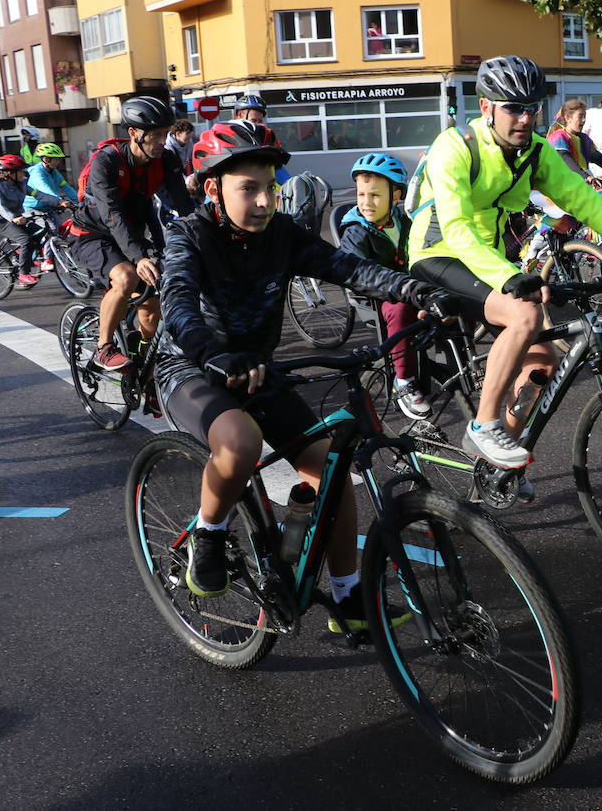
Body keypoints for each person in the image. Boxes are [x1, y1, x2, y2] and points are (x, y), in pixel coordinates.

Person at [157, 120, 450, 632]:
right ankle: (209, 532)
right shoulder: (189, 232)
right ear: (212, 188)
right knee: (241, 442)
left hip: (257, 368)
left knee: (333, 474)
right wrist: (209, 352)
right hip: (192, 363)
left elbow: (350, 269)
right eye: (249, 189)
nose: (266, 201)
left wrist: (415, 290)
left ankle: (347, 596)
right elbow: (178, 300)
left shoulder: (282, 234)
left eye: (271, 188)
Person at [408, 55, 602, 499]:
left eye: (533, 108)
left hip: (489, 260)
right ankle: (483, 426)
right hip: (439, 254)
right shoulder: (455, 146)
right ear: (486, 108)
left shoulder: (535, 150)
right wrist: (510, 277)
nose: (526, 118)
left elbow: (580, 198)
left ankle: (499, 458)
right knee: (526, 314)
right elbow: (458, 228)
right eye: (513, 109)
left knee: (543, 361)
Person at [71, 95, 193, 371]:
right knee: (125, 277)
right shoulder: (106, 162)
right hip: (92, 234)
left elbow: (184, 206)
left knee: (153, 302)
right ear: (134, 133)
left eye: (166, 134)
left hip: (132, 235)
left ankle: (143, 362)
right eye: (156, 135)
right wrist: (140, 257)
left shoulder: (167, 159)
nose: (163, 141)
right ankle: (103, 348)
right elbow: (112, 215)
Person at [338, 151, 430, 419]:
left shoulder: (403, 221)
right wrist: (402, 286)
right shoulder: (356, 231)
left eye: (375, 195)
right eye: (361, 195)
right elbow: (358, 272)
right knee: (400, 310)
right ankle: (403, 381)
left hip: (409, 287)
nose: (366, 203)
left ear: (396, 197)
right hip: (378, 295)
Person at [546, 99, 602, 211]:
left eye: (585, 116)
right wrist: (586, 176)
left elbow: (599, 159)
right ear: (568, 118)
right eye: (580, 116)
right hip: (562, 185)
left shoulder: (583, 139)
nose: (583, 120)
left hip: (581, 184)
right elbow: (566, 159)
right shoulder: (559, 136)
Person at [0, 154, 40, 287]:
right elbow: (0, 207)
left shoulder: (20, 183)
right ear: (9, 173)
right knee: (25, 240)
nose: (23, 173)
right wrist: (13, 217)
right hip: (0, 220)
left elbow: (37, 194)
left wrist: (58, 201)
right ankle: (23, 274)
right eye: (21, 170)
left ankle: (22, 255)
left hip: (17, 217)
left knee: (39, 232)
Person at [25, 142, 78, 230]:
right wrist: (60, 201)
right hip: (33, 208)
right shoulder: (37, 173)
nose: (59, 161)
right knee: (51, 230)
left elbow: (66, 187)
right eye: (56, 159)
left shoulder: (54, 172)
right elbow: (45, 189)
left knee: (62, 229)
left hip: (48, 207)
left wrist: (80, 201)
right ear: (46, 159)